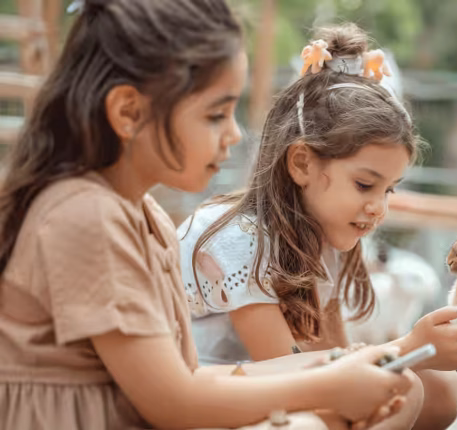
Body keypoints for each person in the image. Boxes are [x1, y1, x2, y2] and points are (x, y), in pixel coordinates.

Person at [0, 2, 412, 428]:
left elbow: (187, 378)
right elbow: (174, 402)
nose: (234, 133)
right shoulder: (86, 216)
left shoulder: (146, 216)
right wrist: (326, 387)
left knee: (396, 396)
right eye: (215, 115)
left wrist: (330, 373)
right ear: (128, 113)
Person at [178, 23, 457, 430]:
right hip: (219, 397)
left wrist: (424, 353)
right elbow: (289, 370)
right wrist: (410, 346)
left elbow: (331, 353)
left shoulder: (320, 237)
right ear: (301, 164)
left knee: (437, 384)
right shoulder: (239, 240)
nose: (379, 207)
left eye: (389, 191)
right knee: (401, 388)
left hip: (277, 388)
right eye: (365, 184)